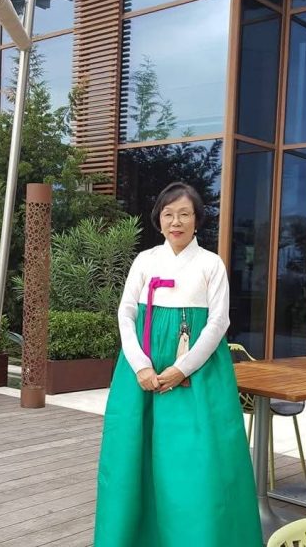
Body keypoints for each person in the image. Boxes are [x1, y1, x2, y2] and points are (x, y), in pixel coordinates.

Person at [93, 182, 262, 547]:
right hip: (141, 376)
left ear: (197, 220)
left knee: (200, 464)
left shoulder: (210, 264)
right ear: (159, 220)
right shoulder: (146, 261)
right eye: (169, 214)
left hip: (199, 376)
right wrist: (140, 365)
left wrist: (183, 368)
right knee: (134, 458)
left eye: (184, 214)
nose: (176, 222)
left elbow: (218, 324)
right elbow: (126, 313)